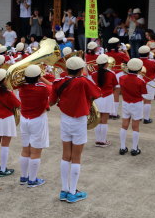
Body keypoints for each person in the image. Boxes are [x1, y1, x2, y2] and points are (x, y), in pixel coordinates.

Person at [49, 57, 101, 203]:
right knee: (76, 157)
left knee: (66, 155)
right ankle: (73, 192)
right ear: (80, 70)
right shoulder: (83, 81)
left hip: (65, 120)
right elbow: (98, 93)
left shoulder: (58, 82)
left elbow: (51, 101)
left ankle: (64, 190)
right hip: (79, 121)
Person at [17, 65, 50, 187]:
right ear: (38, 77)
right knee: (36, 151)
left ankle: (24, 177)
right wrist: (42, 78)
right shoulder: (42, 88)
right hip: (38, 119)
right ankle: (32, 179)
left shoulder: (21, 87)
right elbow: (53, 88)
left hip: (25, 119)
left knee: (26, 149)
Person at [0, 69, 20, 177]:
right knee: (5, 145)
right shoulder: (7, 92)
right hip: (7, 118)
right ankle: (3, 169)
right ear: (4, 79)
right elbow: (18, 104)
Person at [119, 58, 147, 156]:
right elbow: (144, 93)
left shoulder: (122, 78)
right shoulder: (141, 80)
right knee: (135, 127)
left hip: (126, 103)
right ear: (139, 69)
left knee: (124, 125)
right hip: (137, 104)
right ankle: (134, 149)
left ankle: (122, 147)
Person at [91, 54, 118, 147]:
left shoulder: (93, 74)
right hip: (107, 97)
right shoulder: (111, 74)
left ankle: (98, 140)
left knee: (98, 120)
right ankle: (103, 141)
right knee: (104, 120)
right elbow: (115, 86)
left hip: (97, 97)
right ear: (106, 64)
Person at [106, 37, 130, 120]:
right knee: (116, 94)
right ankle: (114, 113)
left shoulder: (106, 54)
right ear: (117, 45)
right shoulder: (121, 54)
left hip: (108, 73)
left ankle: (108, 112)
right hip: (118, 74)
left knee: (109, 93)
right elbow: (128, 60)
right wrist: (125, 50)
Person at [138, 46, 155, 124]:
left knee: (140, 100)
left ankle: (139, 117)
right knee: (148, 101)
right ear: (148, 53)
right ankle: (146, 119)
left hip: (139, 81)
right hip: (150, 82)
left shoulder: (137, 61)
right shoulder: (152, 61)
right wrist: (153, 59)